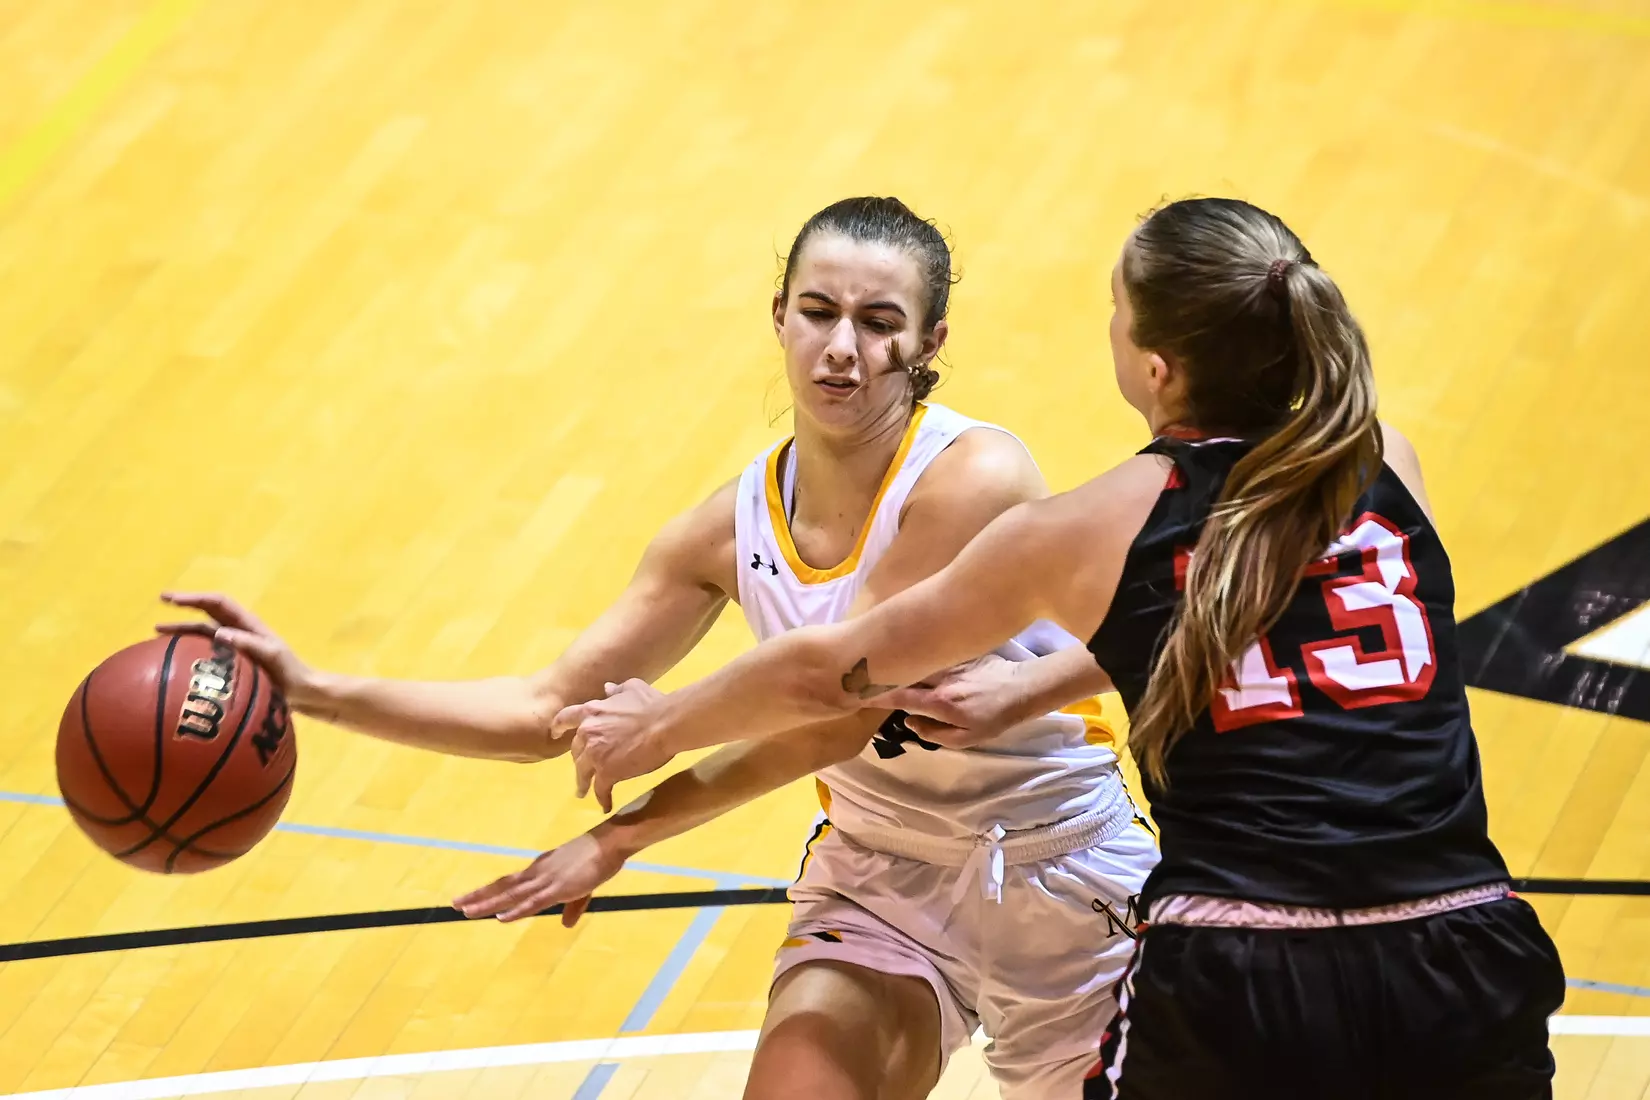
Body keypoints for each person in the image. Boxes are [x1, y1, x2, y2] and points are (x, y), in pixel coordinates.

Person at [557, 196, 1568, 1100]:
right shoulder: (1384, 456)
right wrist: (1041, 681)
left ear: (1155, 366)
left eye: (1116, 314)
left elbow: (836, 669)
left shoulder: (1091, 526)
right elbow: (1247, 611)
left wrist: (663, 718)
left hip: (1244, 956)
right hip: (1463, 940)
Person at [160, 196, 1157, 1100]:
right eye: (818, 311)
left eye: (879, 322)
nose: (841, 347)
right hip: (882, 873)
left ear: (928, 341)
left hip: (1061, 872)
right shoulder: (724, 532)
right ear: (779, 315)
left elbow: (839, 703)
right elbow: (542, 712)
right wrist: (312, 690)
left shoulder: (973, 474)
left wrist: (629, 815)